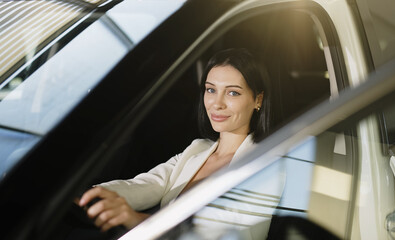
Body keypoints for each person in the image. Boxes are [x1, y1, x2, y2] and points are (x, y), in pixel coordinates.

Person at [77, 48, 271, 234]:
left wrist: (138, 221)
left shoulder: (265, 164)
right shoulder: (196, 149)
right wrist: (89, 196)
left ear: (258, 100)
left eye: (232, 93)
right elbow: (144, 185)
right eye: (211, 90)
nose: (216, 103)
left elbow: (219, 233)